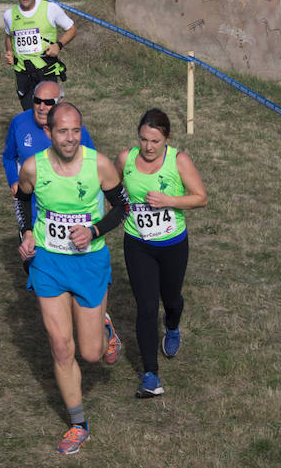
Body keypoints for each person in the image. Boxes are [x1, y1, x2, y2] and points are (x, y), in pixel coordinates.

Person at [15, 102, 127, 455]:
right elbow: (21, 199)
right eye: (63, 131)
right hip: (48, 263)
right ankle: (78, 424)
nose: (70, 138)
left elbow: (122, 208)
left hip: (89, 264)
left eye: (76, 130)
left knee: (92, 353)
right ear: (49, 132)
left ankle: (105, 329)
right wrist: (27, 234)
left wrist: (93, 229)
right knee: (62, 346)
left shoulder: (100, 165)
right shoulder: (34, 167)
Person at [114, 109, 207, 398]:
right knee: (145, 307)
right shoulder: (125, 159)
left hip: (172, 245)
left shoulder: (178, 160)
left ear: (167, 138)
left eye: (155, 141)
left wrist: (169, 200)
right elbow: (110, 188)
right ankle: (151, 375)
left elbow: (201, 198)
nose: (148, 147)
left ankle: (173, 325)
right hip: (137, 242)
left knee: (172, 299)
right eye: (143, 139)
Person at [2, 81, 96, 268]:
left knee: (65, 256)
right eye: (37, 101)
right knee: (33, 258)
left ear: (60, 102)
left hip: (65, 205)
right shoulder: (19, 123)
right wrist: (13, 180)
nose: (42, 107)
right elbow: (8, 157)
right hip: (30, 202)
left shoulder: (76, 129)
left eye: (48, 102)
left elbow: (92, 164)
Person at [3, 0, 78, 111]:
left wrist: (58, 45)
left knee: (48, 114)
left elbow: (72, 29)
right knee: (29, 114)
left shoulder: (51, 9)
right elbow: (9, 36)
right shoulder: (9, 14)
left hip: (46, 72)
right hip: (23, 74)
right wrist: (9, 52)